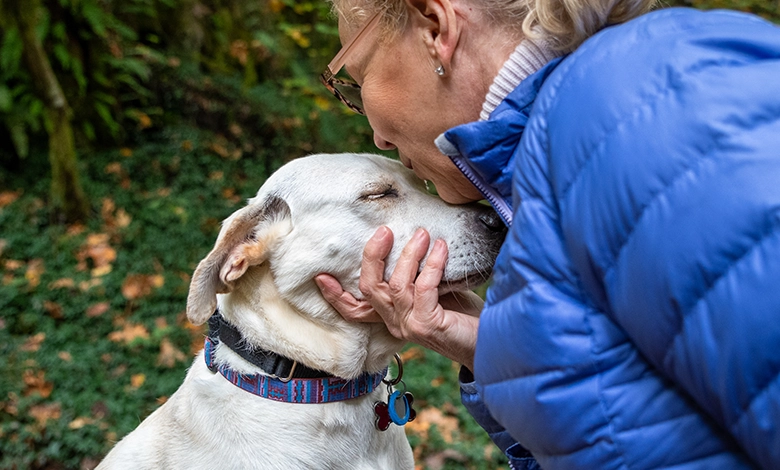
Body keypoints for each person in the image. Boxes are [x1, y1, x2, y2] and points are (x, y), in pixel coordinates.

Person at [313, 0, 780, 467]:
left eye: (359, 75)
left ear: (436, 27)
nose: (376, 137)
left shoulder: (653, 110)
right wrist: (497, 351)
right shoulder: (565, 160)